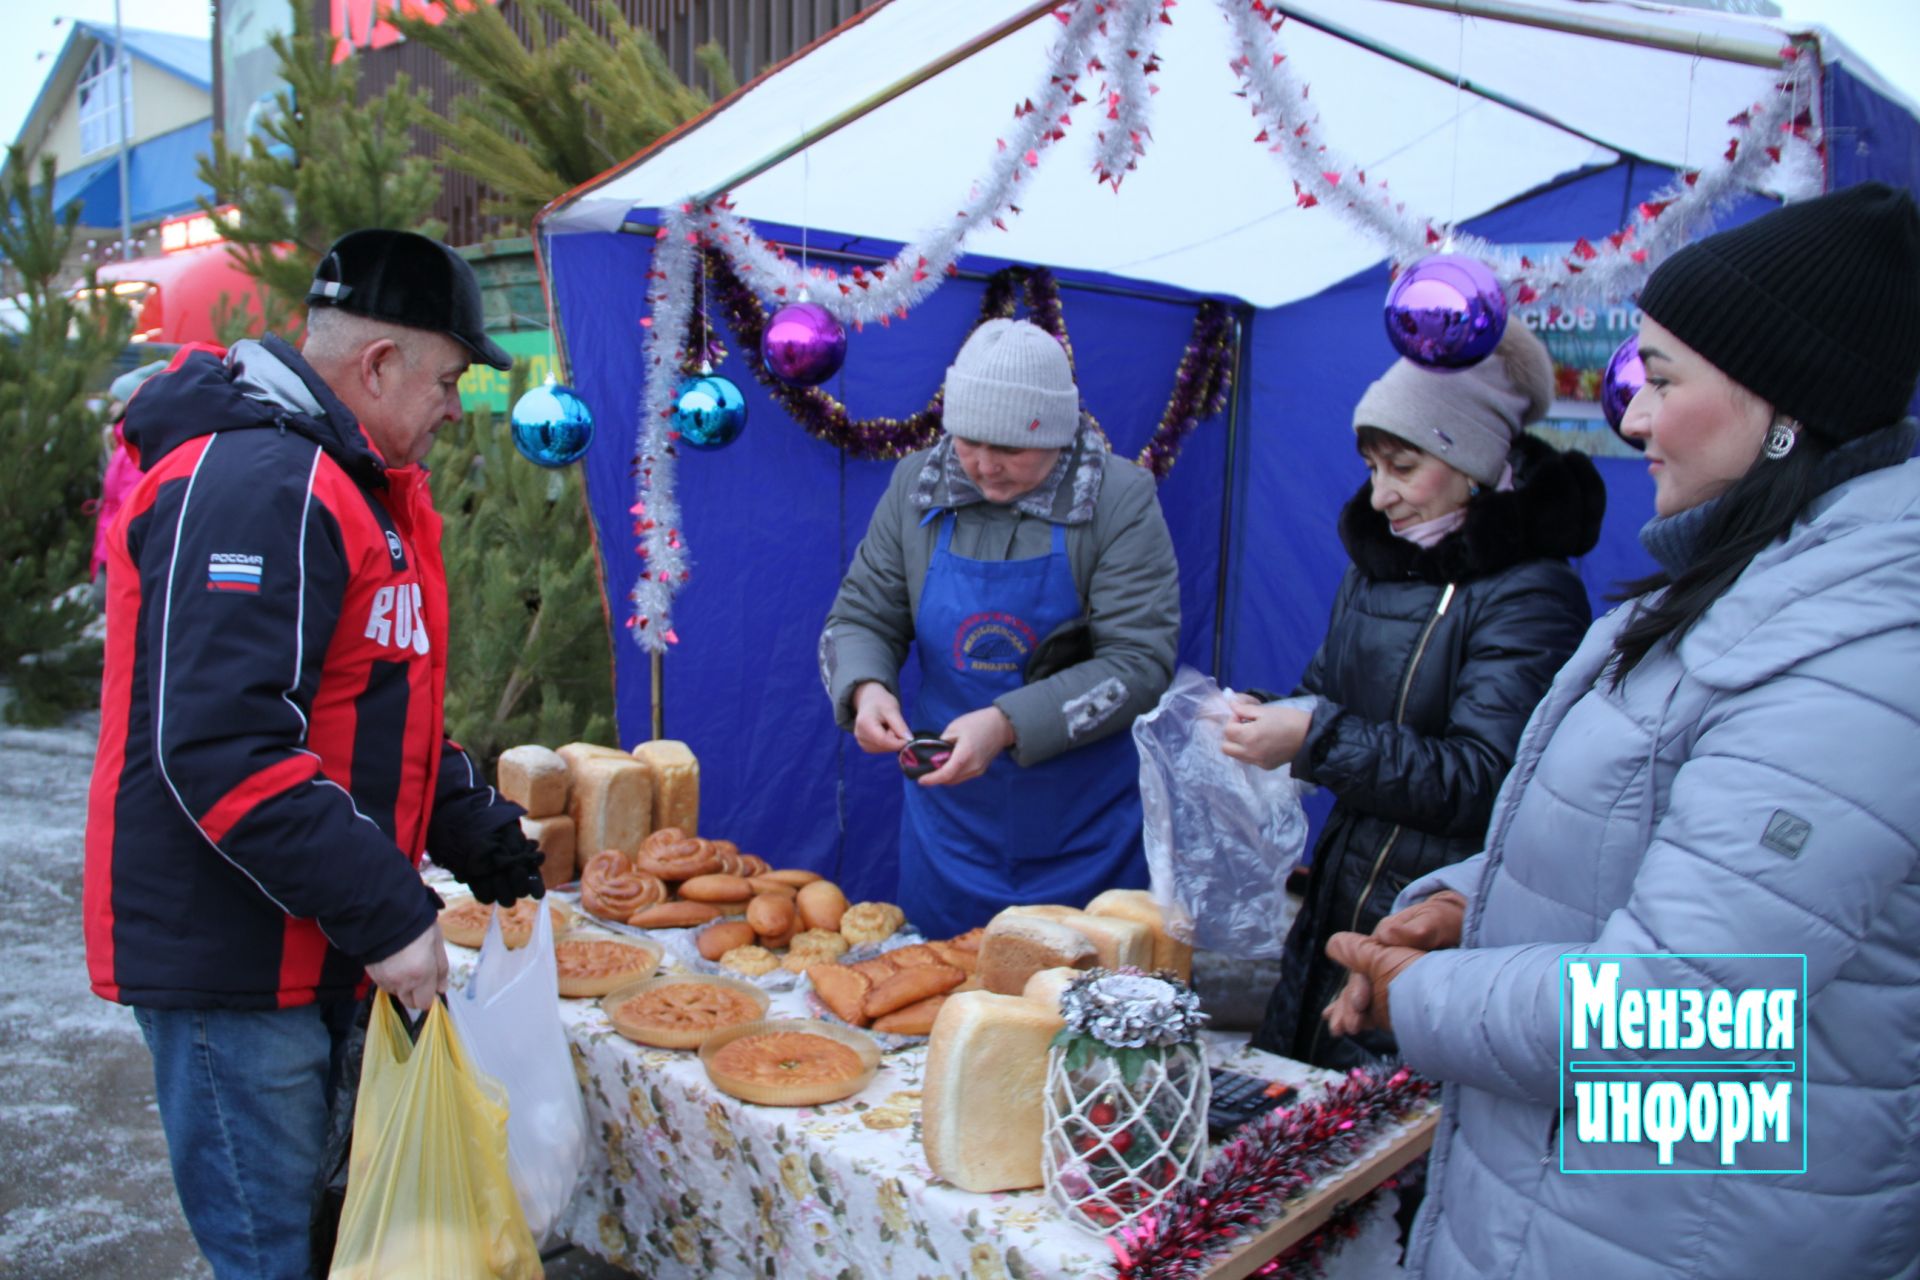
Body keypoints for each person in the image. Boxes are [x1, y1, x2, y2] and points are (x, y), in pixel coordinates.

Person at [1322, 182, 1920, 1277]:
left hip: (1691, 1226)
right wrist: (1474, 903)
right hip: (1599, 1194)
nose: (1631, 417)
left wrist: (1423, 999)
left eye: (1664, 379)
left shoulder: (1861, 657)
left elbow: (1688, 1021)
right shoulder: (1743, 582)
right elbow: (1664, 846)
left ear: (1785, 407)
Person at [83, 228, 549, 1280]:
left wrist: (466, 816)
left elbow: (371, 698)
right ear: (380, 365)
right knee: (275, 1253)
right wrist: (390, 909)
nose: (454, 403)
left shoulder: (358, 480)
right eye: (448, 377)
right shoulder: (263, 480)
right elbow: (221, 742)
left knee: (336, 1240)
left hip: (312, 944)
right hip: (238, 964)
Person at [1233, 321, 1603, 1071]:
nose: (1381, 495)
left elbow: (1487, 780)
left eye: (1403, 465)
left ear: (1473, 459)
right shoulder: (1377, 569)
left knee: (1370, 1154)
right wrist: (1261, 717)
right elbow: (1325, 695)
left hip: (1430, 923)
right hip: (1339, 898)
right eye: (1371, 466)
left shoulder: (1532, 594)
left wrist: (1315, 738)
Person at [821, 318, 1180, 937]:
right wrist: (864, 688)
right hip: (950, 826)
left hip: (1082, 824)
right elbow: (861, 614)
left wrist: (1006, 724)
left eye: (1011, 448)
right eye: (968, 442)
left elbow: (1139, 664)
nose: (984, 466)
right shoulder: (916, 488)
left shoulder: (1119, 499)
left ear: (1059, 435)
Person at [87, 359, 169, 610]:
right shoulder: (123, 444)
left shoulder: (135, 449)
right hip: (109, 549)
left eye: (115, 402)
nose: (109, 408)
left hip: (118, 553)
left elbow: (130, 507)